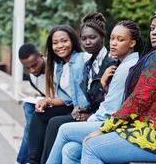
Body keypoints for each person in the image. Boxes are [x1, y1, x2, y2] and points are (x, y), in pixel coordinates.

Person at [81, 7, 156, 164]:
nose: (153, 32)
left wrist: (103, 129)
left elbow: (138, 100)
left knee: (91, 147)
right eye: (152, 28)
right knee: (74, 148)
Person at [46, 20, 142, 164]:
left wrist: (89, 119)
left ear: (132, 43)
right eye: (113, 38)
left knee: (64, 130)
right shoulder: (119, 64)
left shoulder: (125, 68)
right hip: (108, 120)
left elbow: (110, 109)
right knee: (70, 149)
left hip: (116, 125)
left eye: (120, 40)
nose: (114, 43)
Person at [40, 12, 117, 163]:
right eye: (84, 38)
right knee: (68, 149)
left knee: (60, 127)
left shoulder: (110, 62)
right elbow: (90, 97)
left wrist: (88, 112)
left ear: (102, 37)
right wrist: (85, 110)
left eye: (92, 37)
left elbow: (108, 101)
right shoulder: (89, 64)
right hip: (91, 115)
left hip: (105, 121)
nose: (87, 42)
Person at [27, 25, 90, 164]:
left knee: (55, 123)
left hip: (84, 111)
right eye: (55, 43)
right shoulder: (60, 66)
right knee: (39, 113)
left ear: (72, 41)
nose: (60, 46)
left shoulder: (82, 58)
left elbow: (101, 58)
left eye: (64, 41)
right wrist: (47, 101)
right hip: (71, 107)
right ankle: (32, 161)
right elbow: (67, 99)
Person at [17, 43, 46, 164]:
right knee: (28, 107)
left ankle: (22, 161)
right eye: (27, 68)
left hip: (62, 105)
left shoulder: (55, 67)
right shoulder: (32, 77)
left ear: (41, 56)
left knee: (31, 123)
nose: (32, 70)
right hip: (47, 103)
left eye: (34, 65)